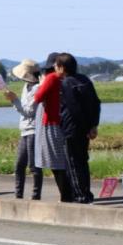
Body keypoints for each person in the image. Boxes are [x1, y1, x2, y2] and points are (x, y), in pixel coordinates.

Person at [31, 52, 75, 203]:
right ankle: (69, 195)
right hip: (64, 123)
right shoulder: (67, 79)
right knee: (64, 161)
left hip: (51, 124)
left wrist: (42, 84)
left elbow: (37, 97)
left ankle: (66, 196)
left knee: (56, 164)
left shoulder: (51, 78)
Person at [58, 52, 101, 203]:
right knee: (82, 162)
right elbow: (96, 103)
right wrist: (93, 125)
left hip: (72, 129)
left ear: (62, 68)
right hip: (86, 129)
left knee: (73, 164)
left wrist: (85, 127)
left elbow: (74, 108)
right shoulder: (85, 80)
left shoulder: (66, 83)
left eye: (57, 67)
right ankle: (86, 194)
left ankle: (81, 197)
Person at [4, 58, 43, 200]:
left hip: (34, 129)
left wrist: (14, 100)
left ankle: (35, 196)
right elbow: (23, 110)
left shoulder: (38, 88)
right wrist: (14, 100)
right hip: (25, 129)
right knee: (19, 164)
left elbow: (29, 111)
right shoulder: (26, 87)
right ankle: (18, 195)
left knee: (34, 166)